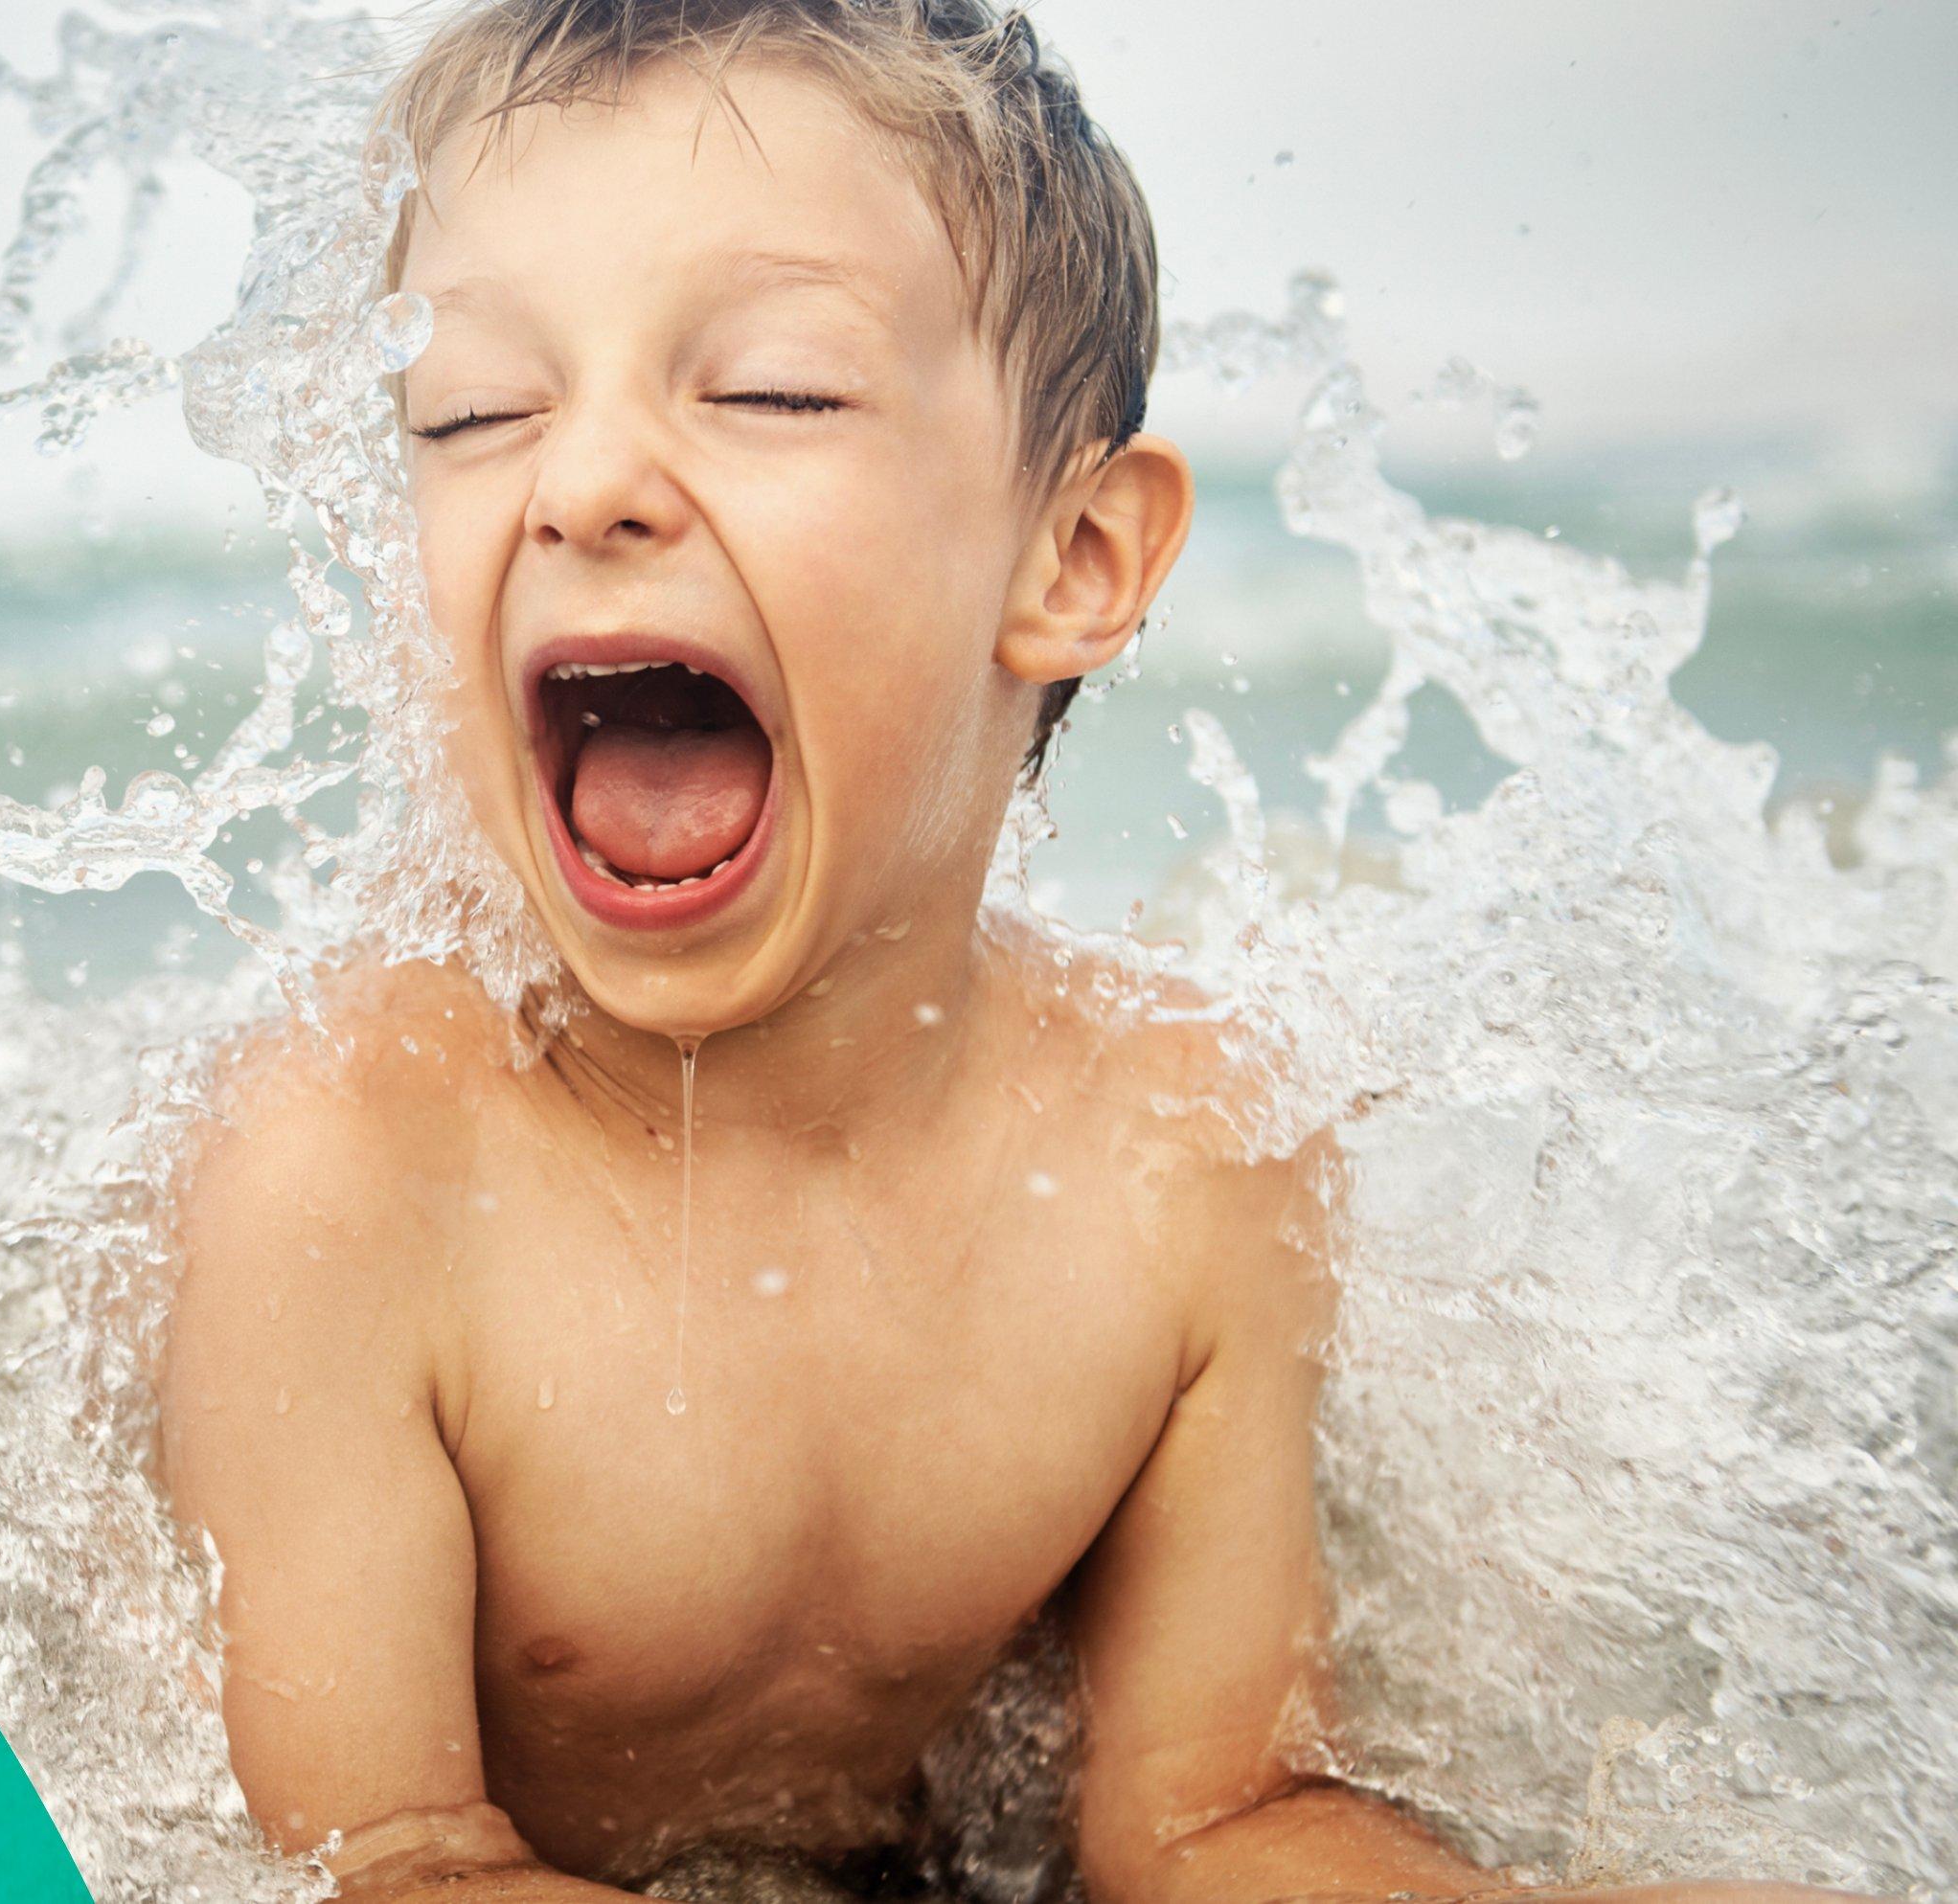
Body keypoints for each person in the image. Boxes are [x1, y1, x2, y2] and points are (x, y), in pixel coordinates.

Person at [151, 6, 1855, 1901]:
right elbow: (388, 1861)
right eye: (474, 411)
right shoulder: (353, 1170)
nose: (581, 484)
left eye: (773, 390)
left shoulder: (1187, 1158)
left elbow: (1205, 1814)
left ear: (1075, 560)